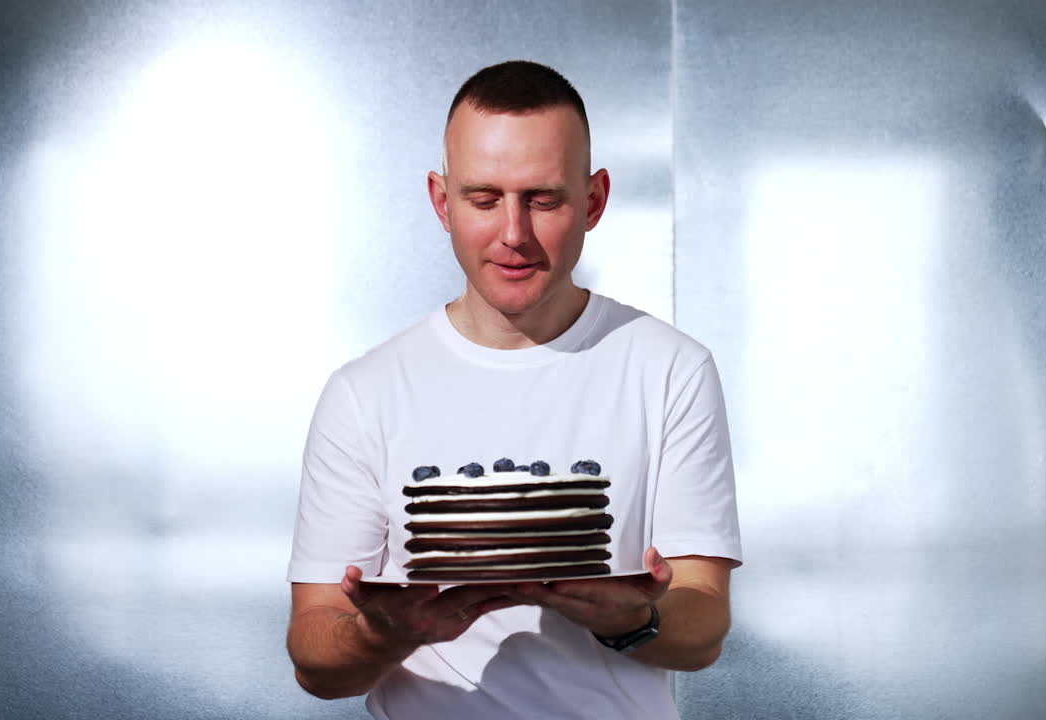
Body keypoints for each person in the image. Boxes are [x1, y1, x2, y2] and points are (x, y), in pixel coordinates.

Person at [286, 60, 742, 719]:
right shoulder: (365, 392)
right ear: (442, 201)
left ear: (594, 200)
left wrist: (630, 618)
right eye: (483, 199)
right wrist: (385, 633)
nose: (513, 234)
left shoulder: (671, 369)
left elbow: (704, 629)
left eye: (543, 199)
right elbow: (315, 659)